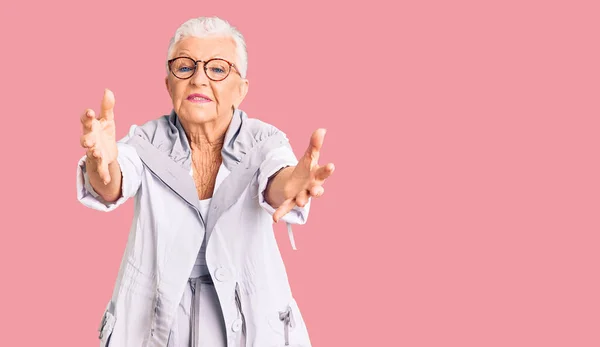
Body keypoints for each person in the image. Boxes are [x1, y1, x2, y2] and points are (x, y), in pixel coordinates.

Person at [77, 16, 334, 347]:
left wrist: (295, 183)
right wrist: (101, 161)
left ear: (240, 90)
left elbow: (277, 181)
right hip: (154, 323)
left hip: (251, 322)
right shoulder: (146, 140)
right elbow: (113, 181)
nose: (198, 79)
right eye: (185, 67)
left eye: (217, 69)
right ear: (169, 84)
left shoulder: (264, 140)